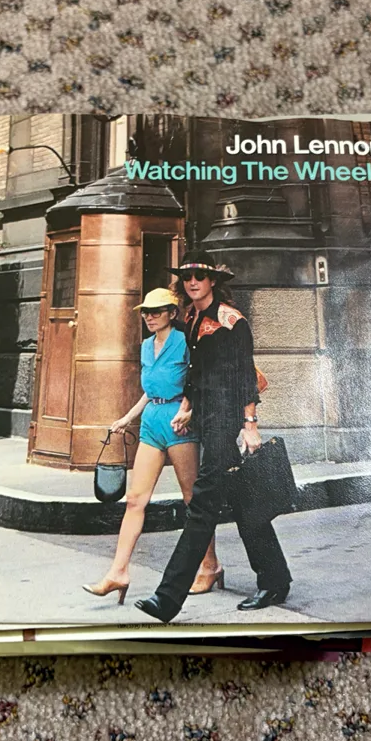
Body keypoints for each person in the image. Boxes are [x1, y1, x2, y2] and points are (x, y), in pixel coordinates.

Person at [135, 252, 292, 624]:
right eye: (187, 277)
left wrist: (250, 424)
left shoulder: (230, 320)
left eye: (200, 277)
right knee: (245, 503)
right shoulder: (191, 319)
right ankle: (275, 580)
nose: (193, 283)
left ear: (212, 281)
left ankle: (167, 598)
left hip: (227, 421)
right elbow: (198, 373)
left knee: (202, 507)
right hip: (205, 420)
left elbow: (244, 375)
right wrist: (187, 407)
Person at [83, 288, 222, 605]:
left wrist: (190, 411)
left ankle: (210, 565)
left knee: (193, 500)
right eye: (146, 311)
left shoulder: (185, 342)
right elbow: (151, 389)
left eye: (156, 311)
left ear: (172, 313)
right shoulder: (146, 346)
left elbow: (199, 381)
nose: (149, 316)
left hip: (178, 421)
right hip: (151, 422)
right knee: (135, 500)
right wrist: (127, 418)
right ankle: (118, 572)